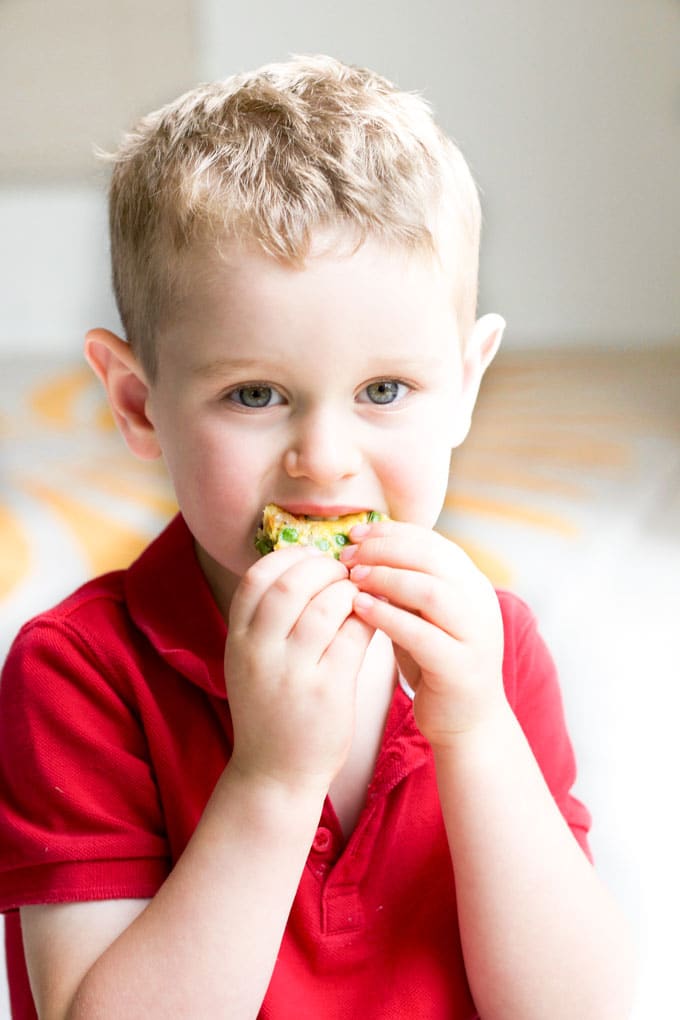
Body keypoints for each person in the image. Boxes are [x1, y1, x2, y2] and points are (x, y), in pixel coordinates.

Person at [0, 55, 633, 1019]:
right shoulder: (80, 677)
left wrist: (474, 731)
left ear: (464, 385)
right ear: (138, 403)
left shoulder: (495, 653)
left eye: (385, 391)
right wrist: (271, 782)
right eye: (255, 395)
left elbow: (578, 1006)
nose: (326, 461)